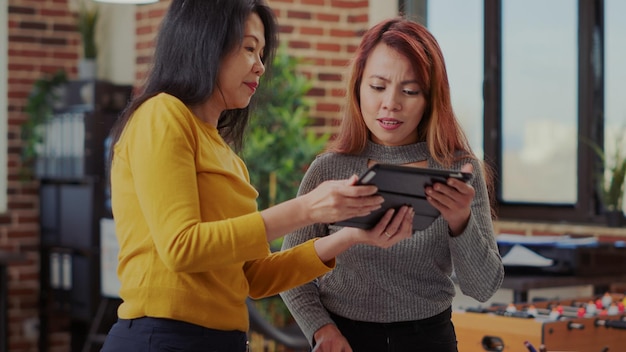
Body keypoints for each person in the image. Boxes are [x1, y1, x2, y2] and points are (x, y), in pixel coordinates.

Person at [99, 2, 416, 352]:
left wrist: (349, 236)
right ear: (205, 42)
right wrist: (307, 209)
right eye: (250, 48)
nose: (260, 66)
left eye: (262, 53)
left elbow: (253, 277)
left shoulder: (227, 155)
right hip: (161, 339)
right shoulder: (162, 114)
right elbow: (181, 248)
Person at [280, 17, 504, 352]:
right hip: (345, 340)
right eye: (378, 86)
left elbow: (484, 287)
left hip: (430, 340)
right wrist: (321, 329)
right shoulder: (328, 170)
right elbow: (288, 270)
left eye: (410, 91)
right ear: (358, 87)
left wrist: (460, 221)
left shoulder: (458, 172)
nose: (391, 103)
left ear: (430, 99)